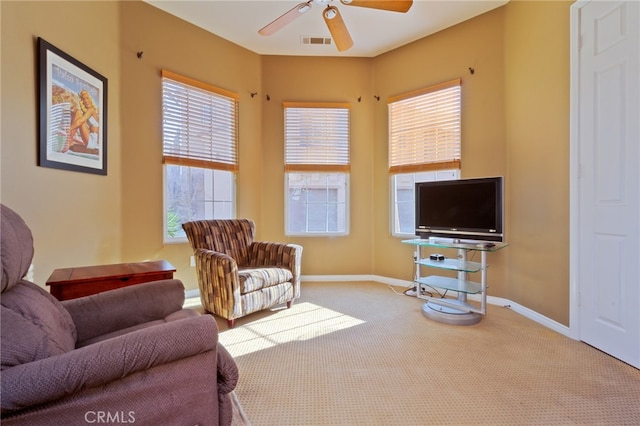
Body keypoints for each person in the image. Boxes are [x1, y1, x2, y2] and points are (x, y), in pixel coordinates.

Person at [63, 89, 100, 154]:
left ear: (90, 99)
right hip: (91, 140)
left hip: (92, 141)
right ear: (82, 101)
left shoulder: (91, 110)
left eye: (87, 98)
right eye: (83, 99)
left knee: (79, 116)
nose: (86, 101)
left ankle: (69, 140)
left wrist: (69, 128)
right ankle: (69, 140)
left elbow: (80, 121)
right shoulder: (88, 111)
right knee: (76, 112)